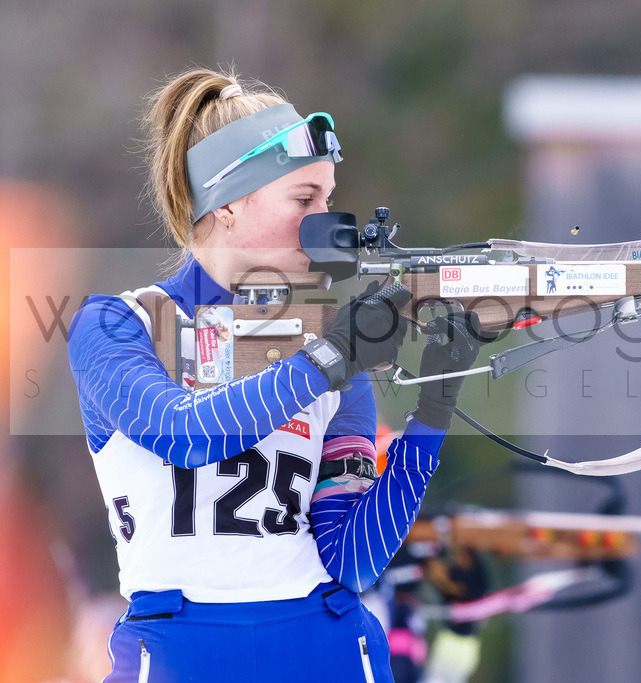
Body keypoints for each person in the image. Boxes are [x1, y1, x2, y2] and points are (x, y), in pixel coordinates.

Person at [67, 68, 486, 683]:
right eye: (304, 199)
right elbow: (183, 435)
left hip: (321, 643)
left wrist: (438, 403)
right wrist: (333, 360)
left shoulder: (325, 346)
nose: (326, 220)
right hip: (181, 646)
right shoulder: (118, 324)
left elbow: (350, 560)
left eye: (328, 197)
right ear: (230, 202)